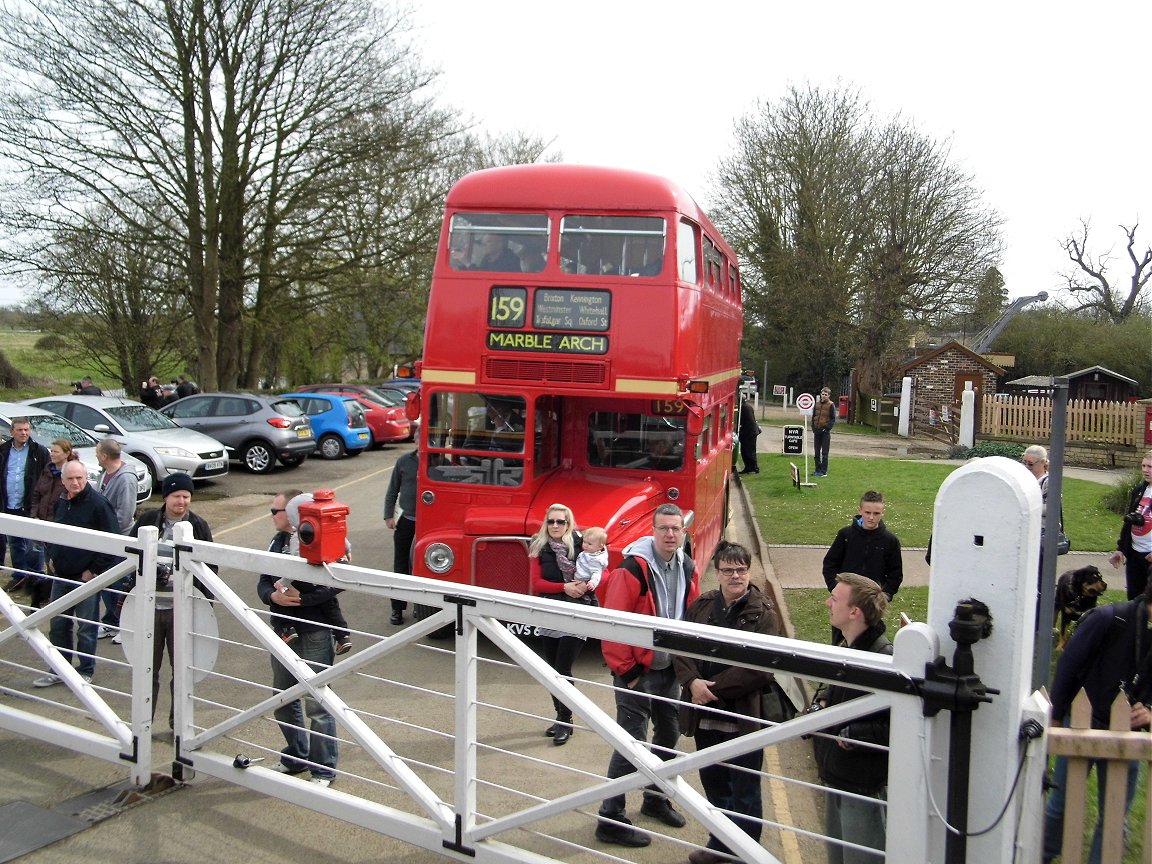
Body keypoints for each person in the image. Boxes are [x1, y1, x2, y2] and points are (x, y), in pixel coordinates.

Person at [673, 541, 786, 864]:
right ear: (718, 573)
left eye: (741, 570)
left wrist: (713, 690)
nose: (735, 576)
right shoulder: (703, 605)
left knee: (746, 790)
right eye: (728, 570)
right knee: (715, 784)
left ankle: (745, 853)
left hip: (742, 718)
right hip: (704, 715)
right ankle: (721, 845)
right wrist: (691, 682)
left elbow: (761, 667)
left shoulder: (764, 613)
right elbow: (681, 644)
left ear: (749, 572)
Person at [595, 503, 699, 848]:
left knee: (669, 736)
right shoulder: (632, 569)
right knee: (631, 745)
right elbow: (612, 624)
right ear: (652, 531)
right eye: (663, 529)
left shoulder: (686, 565)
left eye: (676, 529)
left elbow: (691, 617)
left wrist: (688, 667)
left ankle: (655, 799)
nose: (670, 534)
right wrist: (629, 672)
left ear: (683, 532)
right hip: (637, 673)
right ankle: (610, 818)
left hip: (670, 671)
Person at [1042, 579, 1151, 864]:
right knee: (1062, 804)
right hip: (1082, 721)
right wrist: (1055, 719)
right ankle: (1041, 854)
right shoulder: (1108, 618)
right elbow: (1068, 667)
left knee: (1114, 815)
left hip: (1127, 733)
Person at [257, 490, 342, 787]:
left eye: (276, 510)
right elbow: (263, 581)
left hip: (316, 631)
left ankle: (323, 770)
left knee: (318, 704)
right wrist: (272, 597)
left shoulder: (323, 537)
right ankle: (296, 756)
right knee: (283, 698)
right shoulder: (277, 542)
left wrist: (302, 600)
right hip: (282, 631)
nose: (273, 516)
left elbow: (337, 583)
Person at [812, 573, 893, 864]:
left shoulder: (882, 659)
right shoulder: (850, 647)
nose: (827, 602)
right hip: (837, 777)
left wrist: (855, 735)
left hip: (861, 788)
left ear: (854, 612)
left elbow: (897, 726)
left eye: (835, 598)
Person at [129, 473, 215, 727]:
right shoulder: (147, 521)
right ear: (165, 497)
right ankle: (143, 722)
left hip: (183, 610)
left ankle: (178, 724)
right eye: (177, 496)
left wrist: (203, 607)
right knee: (147, 669)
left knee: (182, 671)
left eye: (186, 496)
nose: (182, 501)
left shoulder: (198, 525)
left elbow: (210, 569)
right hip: (150, 608)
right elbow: (130, 557)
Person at [32, 460, 122, 687]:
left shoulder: (99, 504)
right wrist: (51, 556)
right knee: (59, 625)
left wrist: (93, 571)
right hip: (60, 576)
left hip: (86, 579)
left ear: (86, 477)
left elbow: (113, 542)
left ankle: (85, 671)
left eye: (79, 478)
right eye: (70, 479)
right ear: (62, 481)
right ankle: (58, 670)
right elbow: (55, 531)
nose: (75, 482)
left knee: (86, 627)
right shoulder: (62, 501)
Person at [528, 504, 597, 747]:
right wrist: (564, 587)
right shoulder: (539, 546)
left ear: (569, 524)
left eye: (560, 521)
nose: (555, 526)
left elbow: (604, 571)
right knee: (551, 671)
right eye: (551, 521)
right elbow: (537, 583)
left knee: (562, 668)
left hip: (576, 614)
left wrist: (586, 585)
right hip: (550, 613)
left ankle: (564, 720)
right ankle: (559, 717)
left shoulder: (583, 544)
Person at [271, 493, 353, 654]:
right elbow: (345, 544)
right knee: (331, 606)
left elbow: (295, 566)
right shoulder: (329, 530)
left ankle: (287, 628)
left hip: (304, 580)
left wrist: (283, 583)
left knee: (284, 596)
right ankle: (342, 636)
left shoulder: (298, 536)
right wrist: (346, 555)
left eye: (276, 511)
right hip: (324, 575)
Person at [26, 439, 80, 607]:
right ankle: (49, 595)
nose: (52, 454)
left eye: (56, 451)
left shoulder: (72, 474)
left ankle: (55, 598)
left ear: (66, 453)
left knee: (57, 564)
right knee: (48, 562)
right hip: (43, 526)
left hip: (59, 528)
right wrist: (34, 515)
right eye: (52, 450)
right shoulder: (47, 470)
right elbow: (36, 494)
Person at [822, 491, 903, 601]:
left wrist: (884, 596)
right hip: (845, 596)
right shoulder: (845, 535)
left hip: (873, 600)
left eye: (876, 513)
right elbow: (830, 563)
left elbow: (895, 574)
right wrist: (835, 588)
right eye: (867, 512)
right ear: (859, 510)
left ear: (883, 512)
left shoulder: (890, 540)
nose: (871, 517)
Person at [1, 416, 51, 593]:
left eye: (26, 430)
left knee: (33, 545)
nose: (24, 433)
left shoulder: (39, 452)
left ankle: (36, 578)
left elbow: (47, 478)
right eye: (20, 430)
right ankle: (19, 575)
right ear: (11, 431)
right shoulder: (4, 450)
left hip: (30, 506)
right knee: (14, 542)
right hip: (9, 504)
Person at [95, 438, 137, 640]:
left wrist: (107, 530)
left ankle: (125, 625)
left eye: (97, 453)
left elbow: (126, 514)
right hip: (105, 539)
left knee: (119, 584)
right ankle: (111, 623)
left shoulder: (126, 479)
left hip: (120, 540)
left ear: (104, 456)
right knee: (106, 582)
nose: (96, 456)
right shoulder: (105, 474)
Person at [1109, 450, 1151, 600]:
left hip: (1150, 556)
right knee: (1134, 599)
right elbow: (1128, 522)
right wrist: (1121, 549)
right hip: (1135, 554)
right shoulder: (1140, 489)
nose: (1145, 470)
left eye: (1150, 467)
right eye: (1143, 466)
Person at [383, 448, 419, 625]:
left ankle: (421, 606)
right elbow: (392, 490)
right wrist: (389, 515)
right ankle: (397, 608)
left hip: (430, 523)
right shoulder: (404, 461)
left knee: (424, 567)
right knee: (401, 564)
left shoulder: (441, 460)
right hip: (406, 520)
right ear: (416, 440)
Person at [812, 387, 836, 477]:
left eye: (826, 395)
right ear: (820, 394)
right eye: (823, 394)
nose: (824, 396)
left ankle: (823, 471)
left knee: (824, 453)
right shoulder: (817, 404)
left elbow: (833, 419)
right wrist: (813, 428)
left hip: (825, 432)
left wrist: (827, 428)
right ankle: (817, 469)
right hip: (817, 431)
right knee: (816, 452)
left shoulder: (831, 405)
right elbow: (814, 416)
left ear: (829, 395)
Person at [737, 394, 761, 474]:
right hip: (750, 431)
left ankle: (753, 468)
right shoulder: (747, 407)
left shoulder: (743, 408)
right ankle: (748, 467)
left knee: (749, 450)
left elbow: (742, 420)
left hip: (749, 432)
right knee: (745, 450)